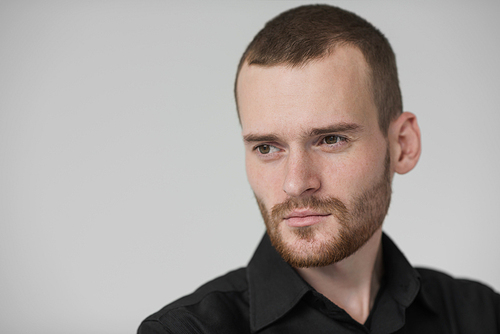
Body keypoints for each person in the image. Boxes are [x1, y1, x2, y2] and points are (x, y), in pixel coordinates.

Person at [138, 4, 499, 333]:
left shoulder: (479, 316)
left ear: (402, 145)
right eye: (267, 147)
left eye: (330, 140)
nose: (296, 183)